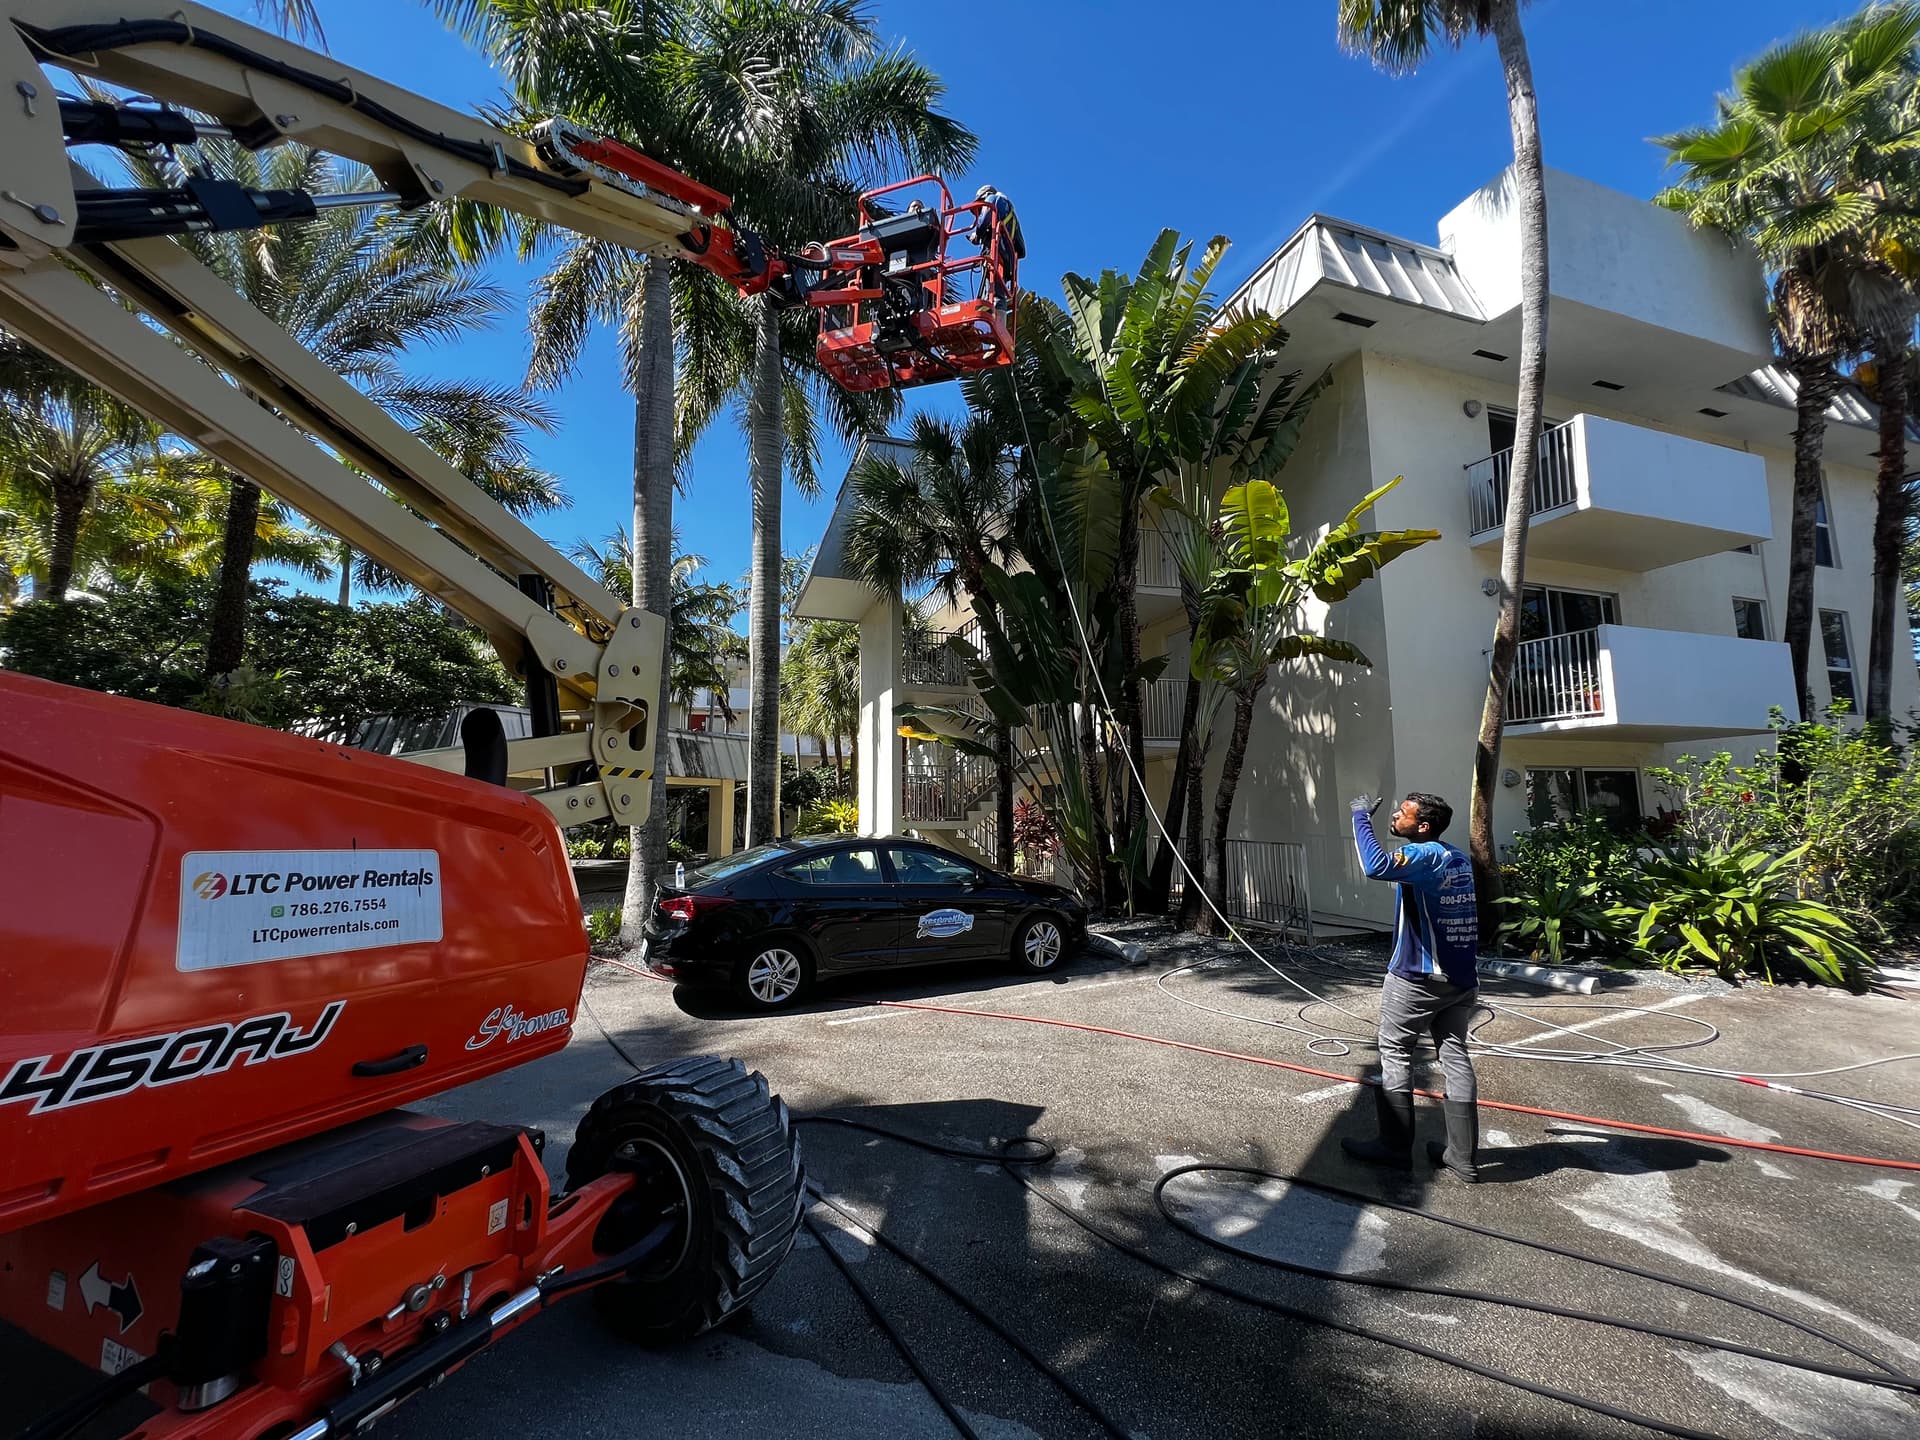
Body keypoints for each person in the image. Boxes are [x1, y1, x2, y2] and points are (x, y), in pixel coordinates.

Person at [1342, 792, 1481, 1183]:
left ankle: (1394, 1146)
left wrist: (1359, 818)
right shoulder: (1456, 858)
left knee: (1395, 1050)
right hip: (1461, 978)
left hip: (1419, 978)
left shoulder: (1425, 855)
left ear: (1423, 827)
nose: (1395, 816)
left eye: (1403, 814)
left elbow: (1376, 865)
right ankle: (1462, 1156)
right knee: (1454, 1054)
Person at [968, 184, 1024, 306]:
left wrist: (977, 234)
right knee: (993, 292)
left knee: (993, 293)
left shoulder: (992, 199)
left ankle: (993, 319)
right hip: (1005, 256)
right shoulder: (1007, 209)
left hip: (996, 253)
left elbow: (984, 220)